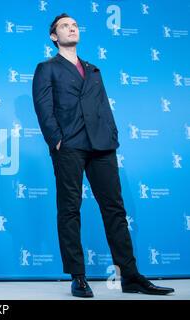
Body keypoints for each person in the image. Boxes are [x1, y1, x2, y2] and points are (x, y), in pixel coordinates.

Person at [32, 13, 175, 298]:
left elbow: (104, 107)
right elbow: (44, 109)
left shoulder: (93, 70)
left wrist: (112, 136)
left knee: (115, 210)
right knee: (70, 209)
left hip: (102, 146)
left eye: (74, 25)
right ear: (53, 36)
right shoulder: (46, 68)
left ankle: (131, 277)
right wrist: (57, 141)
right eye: (64, 26)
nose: (71, 29)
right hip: (70, 145)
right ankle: (78, 276)